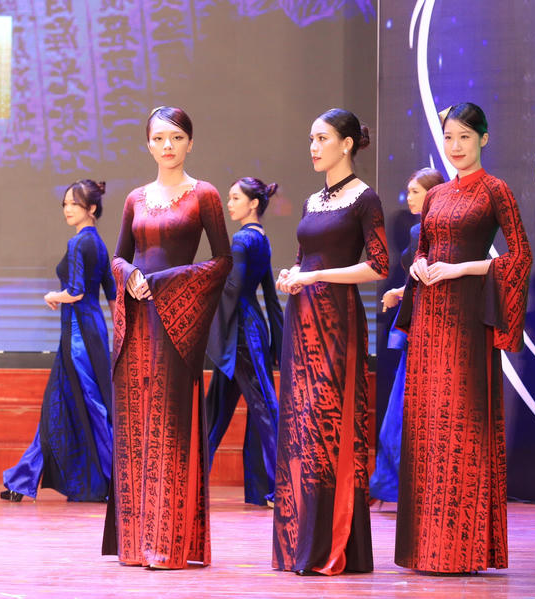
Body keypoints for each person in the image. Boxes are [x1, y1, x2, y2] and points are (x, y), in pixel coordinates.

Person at [395, 103, 532, 573]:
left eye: (465, 138)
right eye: (449, 137)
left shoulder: (496, 190)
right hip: (429, 320)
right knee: (427, 425)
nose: (455, 147)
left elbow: (520, 257)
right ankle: (424, 548)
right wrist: (419, 266)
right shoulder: (435, 195)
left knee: (462, 424)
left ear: (484, 139)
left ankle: (462, 549)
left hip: (466, 319)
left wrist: (462, 269)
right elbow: (423, 250)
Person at [102, 106, 232, 570]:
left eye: (176, 137)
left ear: (190, 143)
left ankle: (168, 544)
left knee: (170, 429)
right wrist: (131, 276)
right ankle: (135, 544)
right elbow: (118, 257)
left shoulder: (205, 194)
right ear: (148, 145)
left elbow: (222, 261)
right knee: (136, 430)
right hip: (137, 323)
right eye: (158, 138)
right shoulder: (135, 198)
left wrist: (165, 282)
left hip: (177, 325)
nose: (167, 146)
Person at [273, 108, 389, 575]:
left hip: (337, 321)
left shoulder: (365, 198)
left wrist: (316, 276)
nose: (314, 147)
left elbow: (378, 266)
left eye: (322, 138)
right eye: (311, 139)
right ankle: (299, 544)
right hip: (301, 319)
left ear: (347, 144)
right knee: (300, 426)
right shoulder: (310, 201)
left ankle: (332, 545)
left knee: (328, 425)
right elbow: (304, 258)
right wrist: (292, 275)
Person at [0, 179, 116, 503]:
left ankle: (120, 481)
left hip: (78, 338)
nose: (67, 209)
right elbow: (112, 295)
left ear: (91, 208)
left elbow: (76, 291)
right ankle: (22, 480)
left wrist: (53, 295)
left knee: (88, 407)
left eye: (74, 203)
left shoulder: (79, 243)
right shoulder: (99, 244)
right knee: (62, 407)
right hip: (91, 334)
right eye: (65, 203)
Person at [205, 177, 283, 507]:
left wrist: (207, 324)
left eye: (235, 198)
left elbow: (232, 289)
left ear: (253, 204)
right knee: (216, 410)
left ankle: (283, 487)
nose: (229, 203)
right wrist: (277, 340)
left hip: (240, 332)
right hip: (251, 328)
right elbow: (269, 296)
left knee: (264, 407)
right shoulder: (261, 238)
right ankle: (192, 481)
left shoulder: (241, 239)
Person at [370, 167, 445, 506]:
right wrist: (399, 292)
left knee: (404, 411)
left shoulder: (421, 231)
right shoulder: (437, 231)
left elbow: (425, 280)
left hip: (421, 330)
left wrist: (401, 292)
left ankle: (400, 486)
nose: (409, 197)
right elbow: (425, 280)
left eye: (415, 191)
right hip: (431, 326)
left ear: (432, 194)